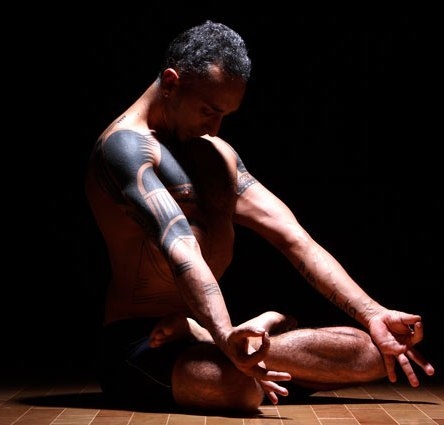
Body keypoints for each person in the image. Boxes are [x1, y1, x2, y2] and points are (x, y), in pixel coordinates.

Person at [85, 20, 435, 413]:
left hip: (210, 332)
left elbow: (294, 238)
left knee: (378, 352)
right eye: (209, 111)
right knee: (240, 390)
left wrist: (374, 314)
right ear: (171, 83)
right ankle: (240, 346)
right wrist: (223, 335)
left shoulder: (218, 155)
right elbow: (182, 249)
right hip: (141, 343)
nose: (215, 128)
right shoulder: (124, 149)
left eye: (225, 115)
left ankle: (233, 344)